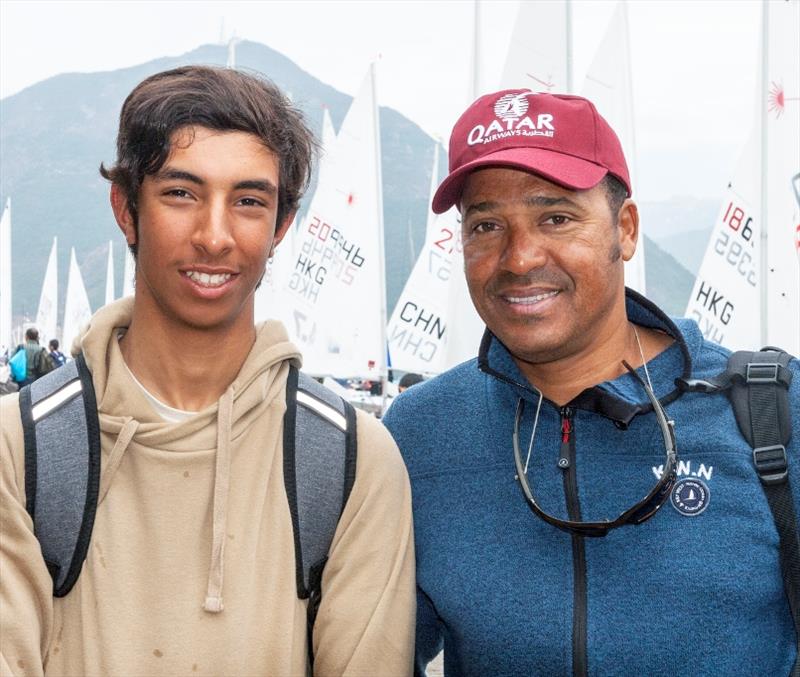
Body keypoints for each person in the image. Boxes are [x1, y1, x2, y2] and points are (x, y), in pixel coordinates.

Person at [1, 66, 414, 676]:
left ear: (280, 228)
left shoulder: (348, 460)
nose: (215, 236)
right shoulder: (22, 448)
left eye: (248, 202)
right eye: (180, 193)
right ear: (125, 208)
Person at [383, 90, 799, 675]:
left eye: (555, 217)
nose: (520, 257)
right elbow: (378, 652)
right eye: (486, 225)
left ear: (624, 229)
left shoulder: (773, 412)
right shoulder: (419, 431)